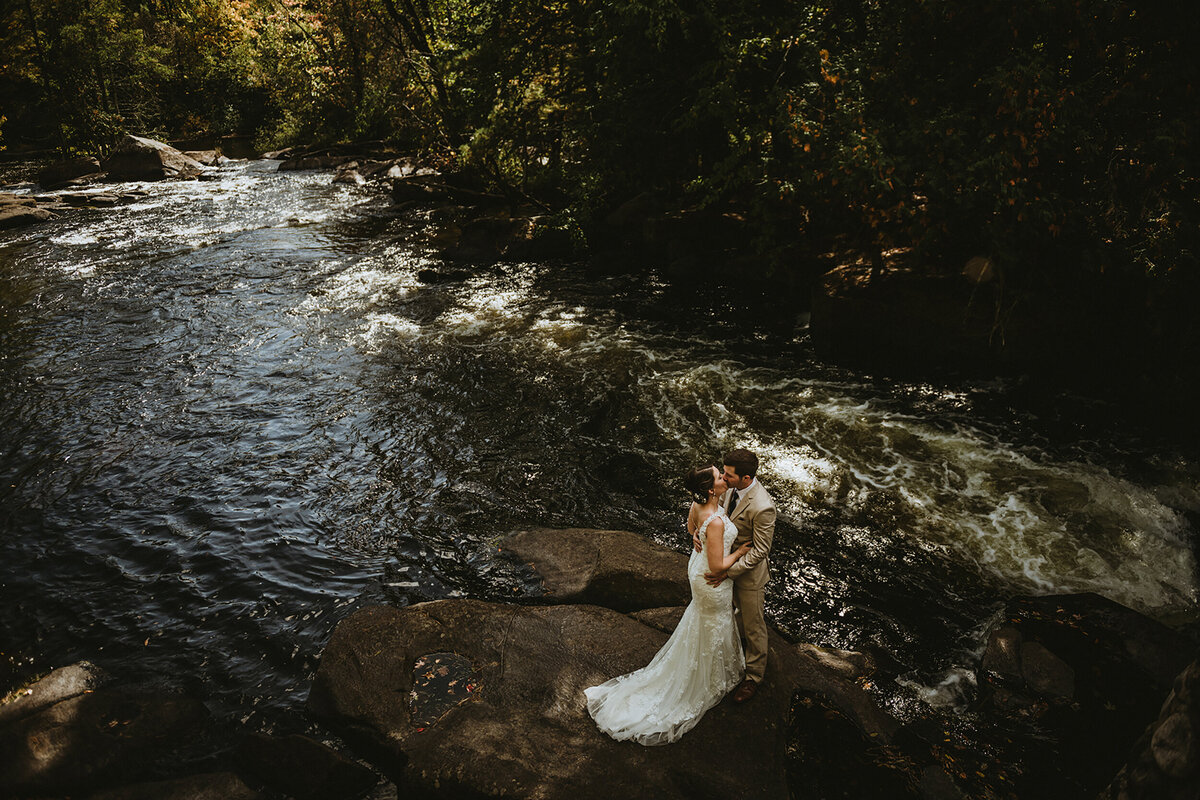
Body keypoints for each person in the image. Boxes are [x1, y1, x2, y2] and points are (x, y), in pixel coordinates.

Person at [584, 465, 752, 745]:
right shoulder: (717, 520)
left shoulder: (698, 505)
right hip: (712, 578)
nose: (725, 477)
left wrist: (697, 536)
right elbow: (717, 564)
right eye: (720, 476)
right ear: (712, 489)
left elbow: (690, 528)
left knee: (703, 620)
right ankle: (706, 678)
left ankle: (707, 670)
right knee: (714, 620)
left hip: (697, 570)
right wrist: (739, 552)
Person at [700, 448, 776, 703]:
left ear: (746, 478)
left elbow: (761, 551)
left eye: (728, 475)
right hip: (724, 565)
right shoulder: (730, 488)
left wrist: (728, 571)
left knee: (754, 627)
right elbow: (715, 515)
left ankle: (754, 677)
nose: (723, 477)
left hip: (748, 576)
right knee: (731, 615)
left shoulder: (763, 507)